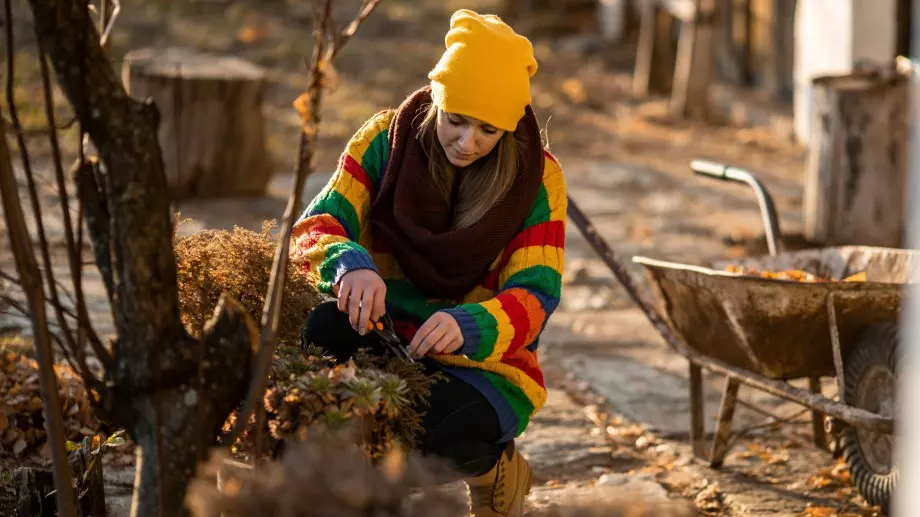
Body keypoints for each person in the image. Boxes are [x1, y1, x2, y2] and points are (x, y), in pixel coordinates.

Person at [292, 9, 566, 517]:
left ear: (508, 128)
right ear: (436, 98)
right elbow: (314, 228)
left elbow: (537, 294)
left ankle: (496, 472)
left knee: (433, 438)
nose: (467, 142)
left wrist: (470, 324)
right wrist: (349, 263)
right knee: (319, 335)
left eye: (487, 130)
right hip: (382, 331)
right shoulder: (384, 140)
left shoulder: (538, 178)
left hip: (482, 365)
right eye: (455, 120)